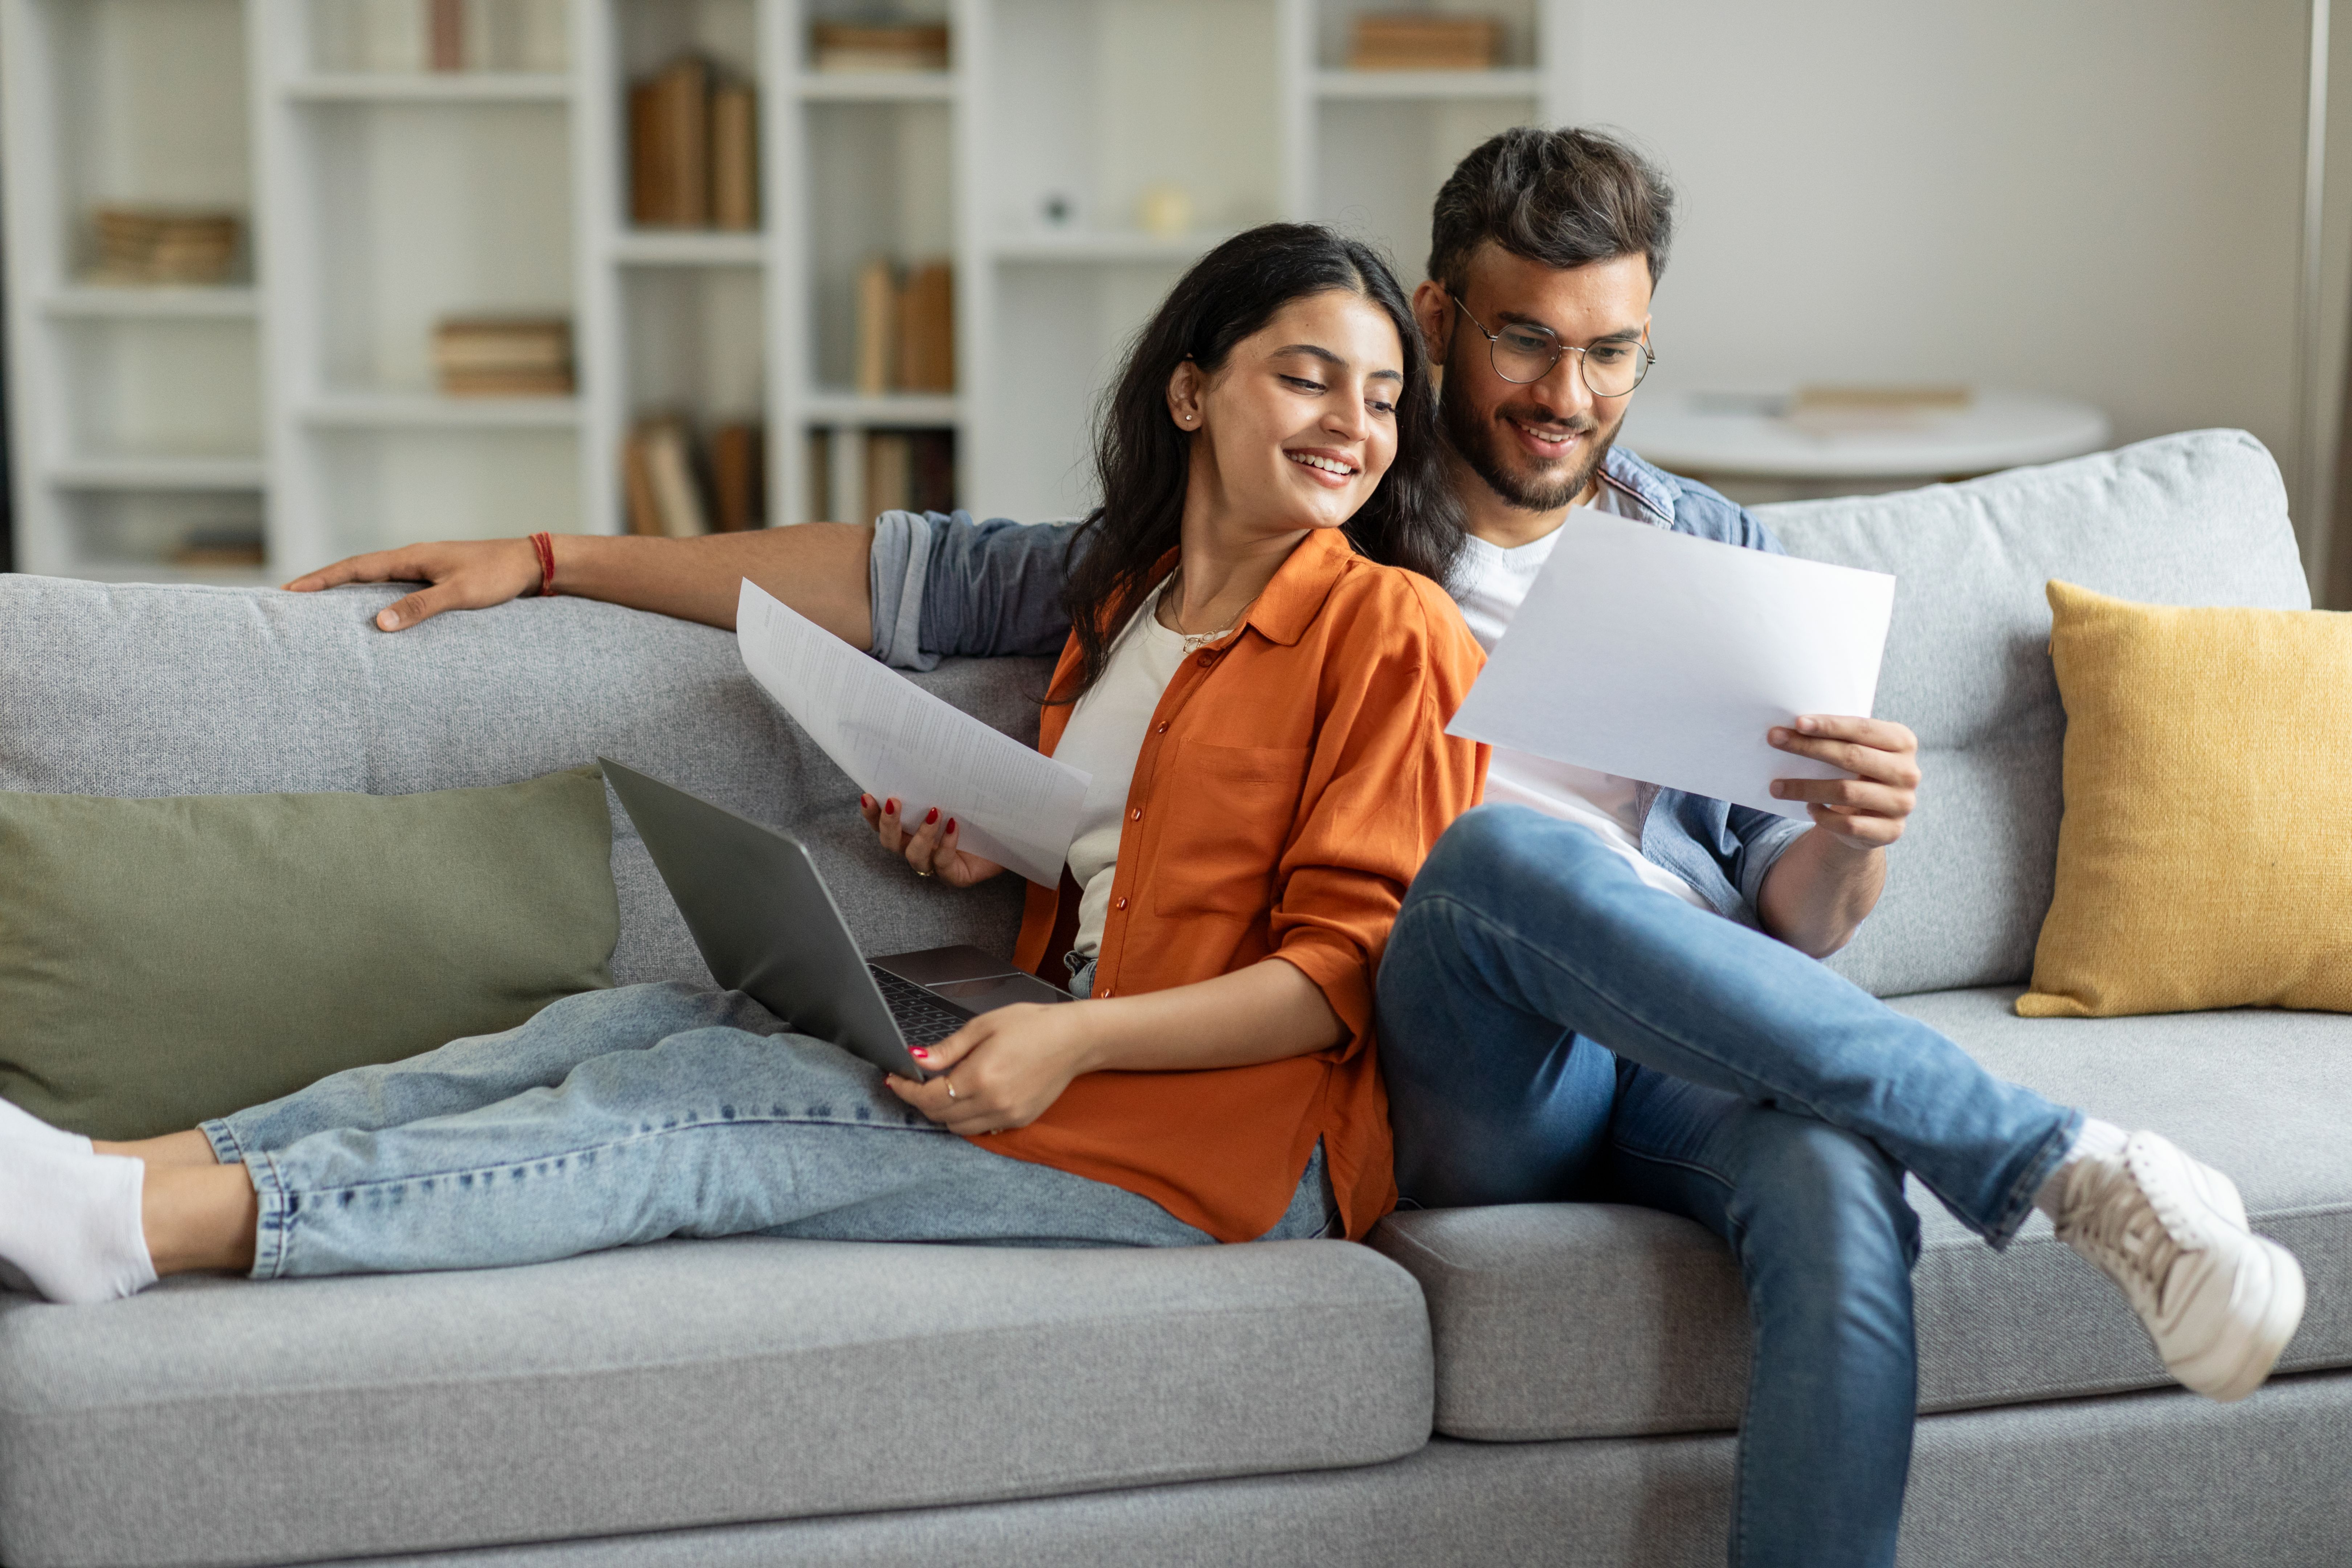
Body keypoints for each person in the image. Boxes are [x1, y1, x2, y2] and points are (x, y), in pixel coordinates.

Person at [281, 130, 2305, 1568]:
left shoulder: (1717, 555)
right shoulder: (1315, 489)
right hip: (1451, 1055)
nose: (1566, 398)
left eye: (1614, 356)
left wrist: (1852, 846)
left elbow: (1793, 932)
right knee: (1498, 871)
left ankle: (2070, 1192)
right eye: (1523, 346)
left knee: (1841, 1187)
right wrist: (555, 555)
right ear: (1441, 318)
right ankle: (2058, 1157)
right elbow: (898, 575)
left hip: (1676, 1038)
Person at [0, 225, 1484, 1302]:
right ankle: (122, 1160)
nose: (1352, 424)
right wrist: (995, 847)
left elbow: (1341, 968)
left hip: (1223, 1144)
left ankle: (146, 1236)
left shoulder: (1392, 629)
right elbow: (1145, 850)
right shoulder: (1128, 609)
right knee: (639, 1014)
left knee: (702, 1112)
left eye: (1377, 397)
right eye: (1307, 377)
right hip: (1064, 1048)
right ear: (1190, 391)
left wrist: (1073, 1042)